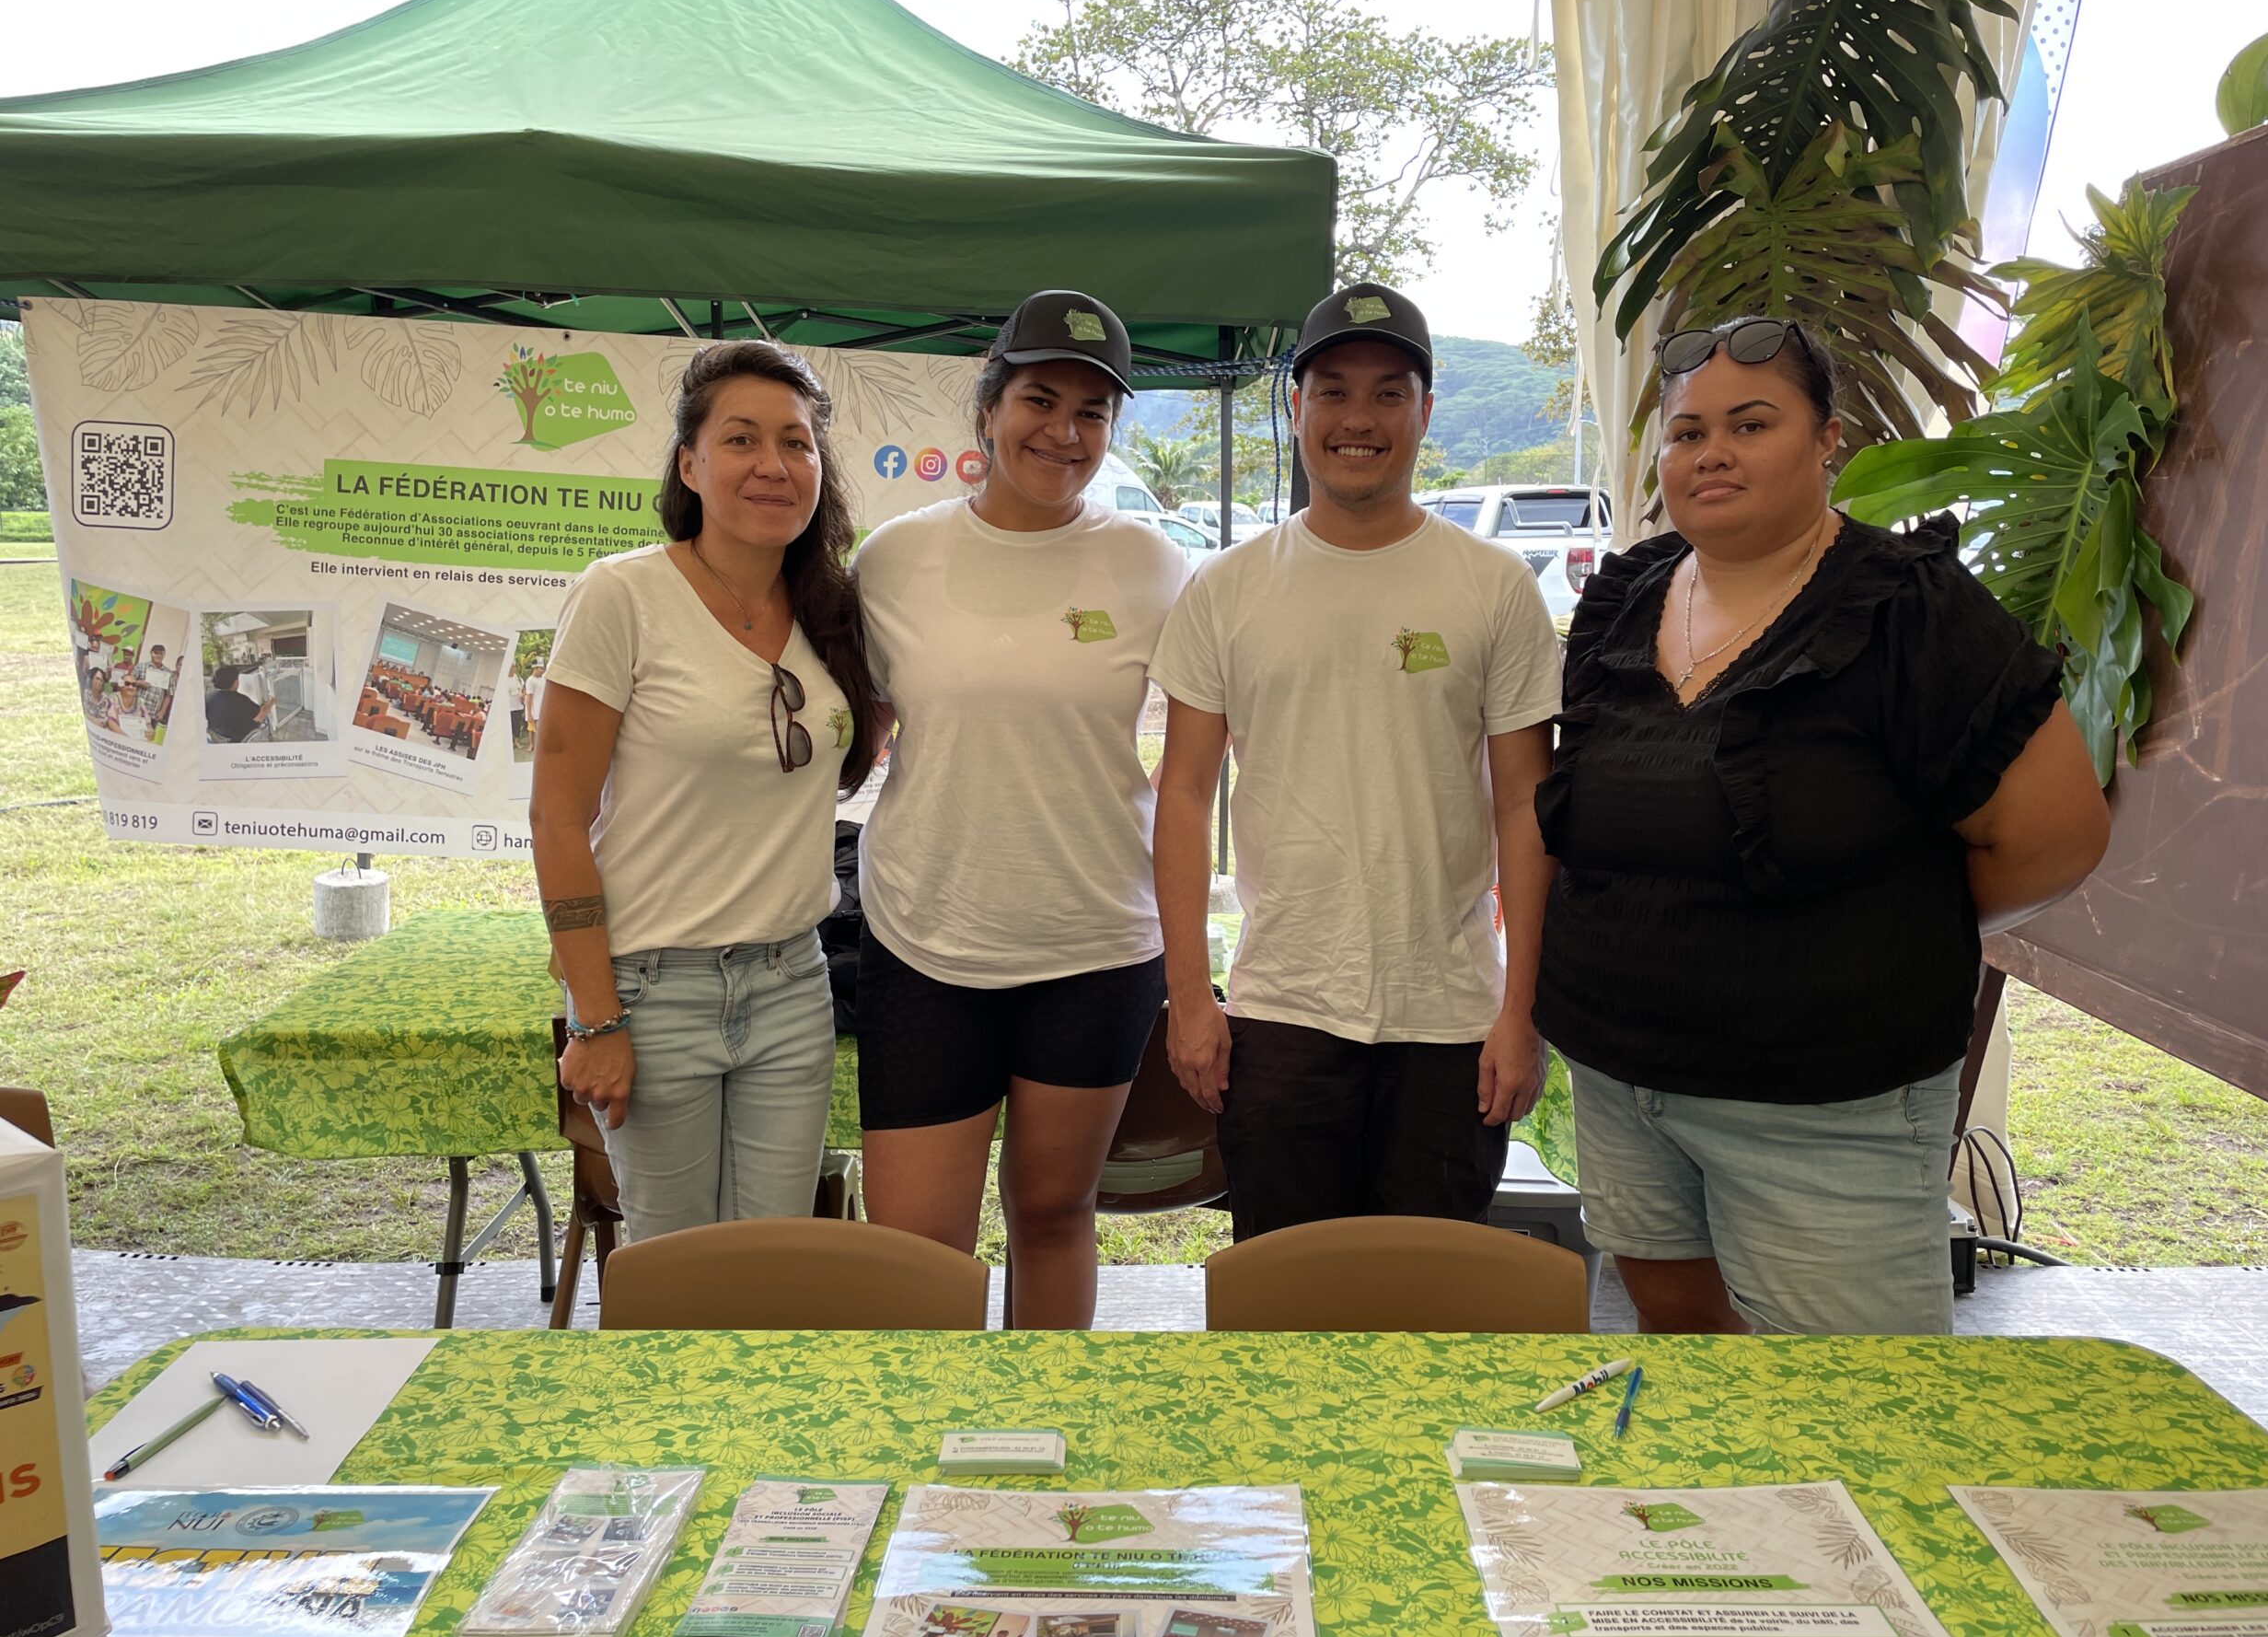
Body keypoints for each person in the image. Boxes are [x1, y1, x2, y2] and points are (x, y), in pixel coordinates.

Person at [1532, 316, 2112, 1337]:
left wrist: (1878, 916)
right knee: (1688, 1359)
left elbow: (2054, 836)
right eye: (1686, 433)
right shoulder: (1624, 599)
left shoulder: (1907, 609)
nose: (1712, 452)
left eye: (1750, 424)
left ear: (1825, 438)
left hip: (1827, 1101)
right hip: (1623, 1078)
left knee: (1859, 1413)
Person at [1151, 281, 1562, 1237]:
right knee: (1286, 1299)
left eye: (1388, 393)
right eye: (1332, 390)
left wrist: (1520, 1012)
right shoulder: (1226, 587)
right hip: (1281, 1010)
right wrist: (1187, 1000)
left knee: (1429, 1302)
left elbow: (1522, 808)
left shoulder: (1493, 586)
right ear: (1296, 407)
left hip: (1450, 1017)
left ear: (1426, 409)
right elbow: (1181, 795)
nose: (1358, 419)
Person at [854, 289, 1186, 1328]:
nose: (1065, 431)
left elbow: (1203, 764)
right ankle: (921, 1456)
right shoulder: (893, 559)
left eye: (1093, 413)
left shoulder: (1150, 564)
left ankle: (1047, 1456)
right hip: (926, 939)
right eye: (1041, 399)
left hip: (1094, 942)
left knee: (1052, 1211)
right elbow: (843, 729)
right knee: (914, 1247)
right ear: (988, 410)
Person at [529, 341, 882, 1240]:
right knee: (675, 1269)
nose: (773, 465)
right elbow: (557, 819)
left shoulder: (832, 611)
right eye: (741, 440)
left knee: (769, 1264)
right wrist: (594, 1019)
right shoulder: (623, 596)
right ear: (689, 463)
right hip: (651, 991)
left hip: (790, 980)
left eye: (797, 444)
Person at [204, 663, 270, 742]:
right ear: (235, 682)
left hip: (217, 738)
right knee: (265, 719)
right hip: (238, 739)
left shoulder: (207, 697)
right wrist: (272, 701)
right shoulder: (241, 701)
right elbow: (261, 715)